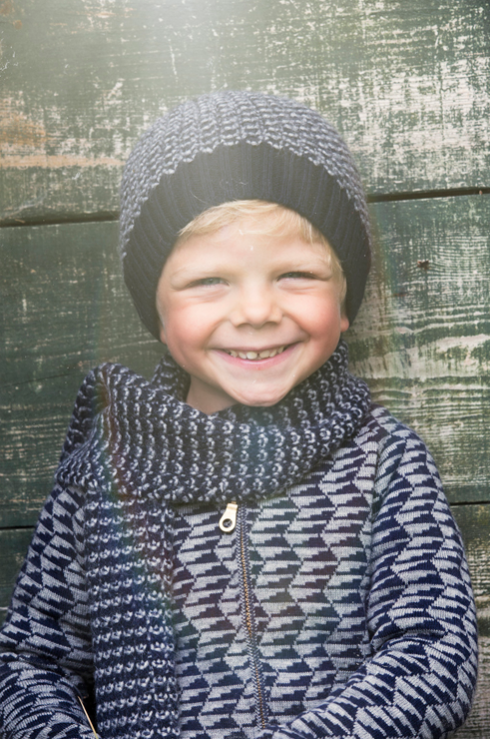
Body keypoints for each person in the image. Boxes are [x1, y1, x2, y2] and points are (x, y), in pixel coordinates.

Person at [0, 91, 478, 739]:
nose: (255, 311)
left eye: (295, 274)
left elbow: (431, 652)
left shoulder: (382, 460)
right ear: (156, 309)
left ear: (345, 301)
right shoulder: (103, 474)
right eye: (209, 281)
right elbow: (32, 662)